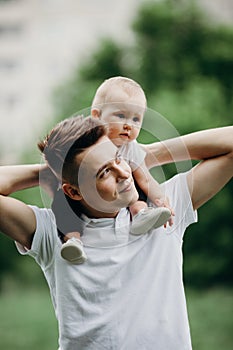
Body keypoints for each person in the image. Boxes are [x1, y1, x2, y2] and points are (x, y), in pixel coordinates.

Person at [0, 115, 232, 350]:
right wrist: (46, 173)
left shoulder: (164, 206)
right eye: (104, 172)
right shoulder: (52, 232)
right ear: (72, 191)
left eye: (119, 158)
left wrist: (147, 154)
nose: (123, 173)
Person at [53, 76, 172, 264]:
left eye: (136, 119)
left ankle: (140, 214)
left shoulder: (130, 147)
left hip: (122, 194)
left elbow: (145, 178)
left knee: (139, 190)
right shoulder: (86, 142)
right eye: (121, 116)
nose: (128, 125)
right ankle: (73, 240)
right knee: (61, 205)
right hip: (79, 195)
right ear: (96, 116)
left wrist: (160, 199)